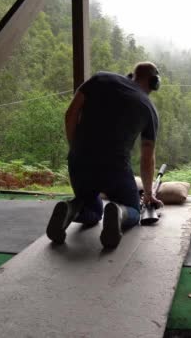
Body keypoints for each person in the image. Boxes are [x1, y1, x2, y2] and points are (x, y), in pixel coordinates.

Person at [46, 62, 164, 249]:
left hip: (79, 162)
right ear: (154, 82)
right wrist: (148, 194)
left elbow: (70, 114)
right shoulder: (149, 109)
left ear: (131, 75)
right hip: (115, 167)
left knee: (91, 210)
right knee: (133, 210)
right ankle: (119, 211)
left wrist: (75, 149)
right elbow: (147, 156)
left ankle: (70, 209)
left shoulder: (100, 78)